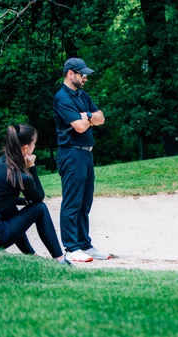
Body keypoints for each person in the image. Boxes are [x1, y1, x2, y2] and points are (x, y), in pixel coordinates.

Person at [0, 124, 70, 265]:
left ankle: (31, 255)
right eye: (34, 143)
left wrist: (24, 201)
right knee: (40, 208)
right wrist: (32, 167)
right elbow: (39, 197)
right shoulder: (20, 175)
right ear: (26, 148)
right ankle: (60, 259)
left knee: (9, 207)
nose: (35, 146)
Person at [53, 57, 108, 262]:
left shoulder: (82, 95)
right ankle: (71, 247)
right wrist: (87, 118)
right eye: (81, 74)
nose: (85, 78)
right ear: (70, 74)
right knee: (72, 201)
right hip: (71, 153)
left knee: (85, 201)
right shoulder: (62, 98)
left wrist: (85, 115)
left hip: (86, 153)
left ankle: (85, 244)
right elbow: (80, 126)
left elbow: (101, 117)